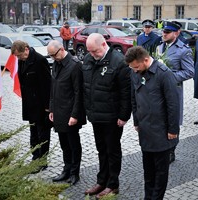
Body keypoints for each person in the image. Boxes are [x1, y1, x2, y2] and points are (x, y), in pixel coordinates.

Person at [125, 46, 180, 200]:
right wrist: (136, 121)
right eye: (132, 68)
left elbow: (173, 105)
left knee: (160, 172)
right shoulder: (134, 72)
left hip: (161, 131)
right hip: (145, 130)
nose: (134, 70)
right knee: (148, 171)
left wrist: (173, 130)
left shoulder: (164, 74)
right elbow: (133, 98)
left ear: (146, 60)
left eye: (136, 67)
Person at [81, 33, 131, 199]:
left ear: (103, 44)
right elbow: (86, 87)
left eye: (95, 51)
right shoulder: (88, 59)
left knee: (112, 150)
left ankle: (112, 184)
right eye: (90, 51)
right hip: (96, 115)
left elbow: (126, 93)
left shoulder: (119, 62)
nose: (92, 55)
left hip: (112, 117)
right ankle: (101, 181)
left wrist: (124, 116)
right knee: (101, 149)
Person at [47, 40, 86, 185]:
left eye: (54, 55)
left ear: (62, 49)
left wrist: (75, 115)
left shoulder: (75, 66)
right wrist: (51, 108)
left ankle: (75, 172)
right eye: (50, 56)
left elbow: (78, 92)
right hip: (58, 111)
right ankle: (66, 169)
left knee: (73, 144)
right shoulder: (56, 64)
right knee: (64, 143)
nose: (52, 58)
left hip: (70, 113)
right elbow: (53, 87)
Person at [156, 21, 194, 163]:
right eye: (163, 32)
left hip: (173, 90)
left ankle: (172, 150)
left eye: (167, 32)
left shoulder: (183, 50)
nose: (164, 34)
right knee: (160, 118)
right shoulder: (160, 46)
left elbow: (190, 72)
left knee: (172, 119)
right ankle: (162, 146)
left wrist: (169, 77)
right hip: (158, 90)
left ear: (176, 33)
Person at [11, 40, 52, 172]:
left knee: (43, 134)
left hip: (40, 105)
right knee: (33, 133)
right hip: (29, 104)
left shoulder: (40, 61)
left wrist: (48, 107)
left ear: (27, 49)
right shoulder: (21, 60)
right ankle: (35, 158)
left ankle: (42, 161)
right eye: (17, 56)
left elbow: (47, 85)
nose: (19, 58)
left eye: (20, 55)